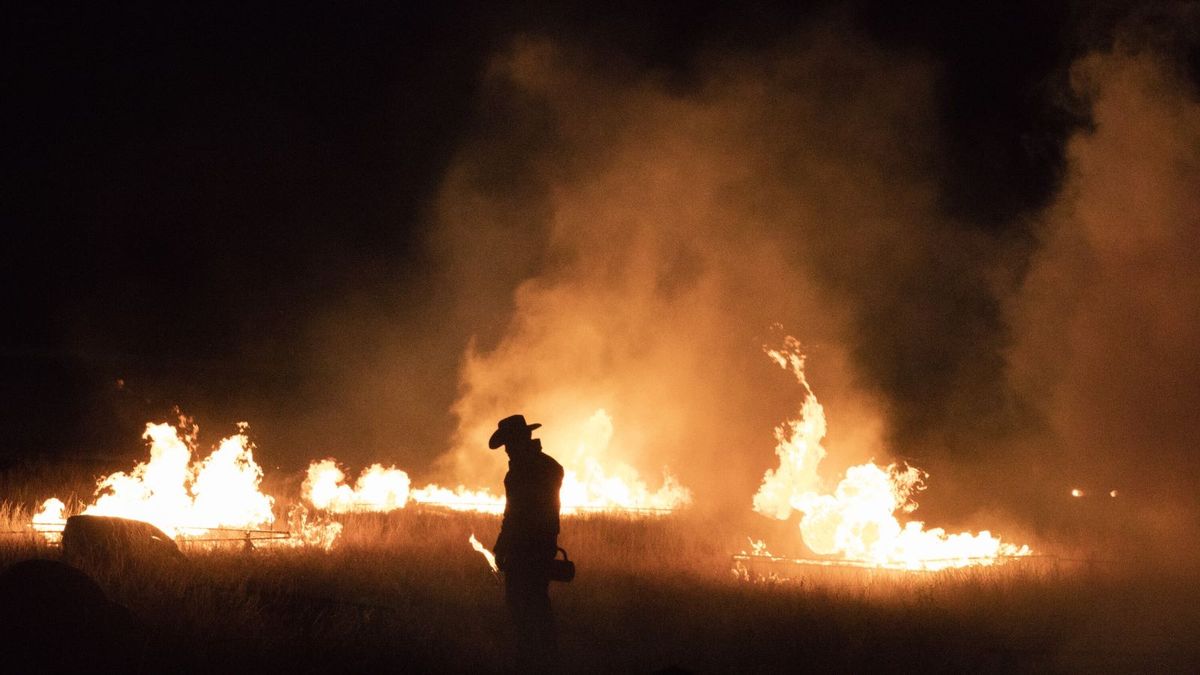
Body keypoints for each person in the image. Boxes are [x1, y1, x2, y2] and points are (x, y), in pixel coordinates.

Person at [490, 414, 563, 670]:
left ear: (522, 439)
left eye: (509, 443)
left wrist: (502, 545)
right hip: (542, 545)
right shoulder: (550, 466)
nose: (507, 449)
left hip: (525, 548)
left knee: (521, 605)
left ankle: (530, 659)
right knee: (537, 602)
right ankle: (544, 658)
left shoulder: (522, 471)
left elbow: (516, 513)